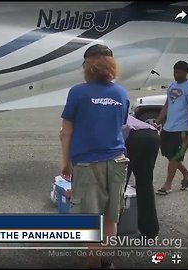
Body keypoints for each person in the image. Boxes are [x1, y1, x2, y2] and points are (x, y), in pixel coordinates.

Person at [59, 44, 130, 269]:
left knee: (90, 220)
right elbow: (122, 124)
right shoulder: (121, 92)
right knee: (111, 216)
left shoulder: (78, 92)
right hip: (117, 160)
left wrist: (66, 163)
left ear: (87, 66)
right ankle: (106, 261)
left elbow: (66, 132)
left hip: (88, 163)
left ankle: (92, 263)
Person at [155, 61, 188, 195]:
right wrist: (159, 121)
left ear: (185, 72)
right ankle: (187, 174)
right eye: (174, 72)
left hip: (182, 129)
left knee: (175, 157)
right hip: (168, 127)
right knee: (168, 153)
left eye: (179, 72)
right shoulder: (172, 85)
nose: (176, 75)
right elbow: (166, 105)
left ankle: (167, 185)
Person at [123, 115, 160, 238]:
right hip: (151, 134)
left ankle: (110, 231)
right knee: (145, 183)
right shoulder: (117, 105)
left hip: (132, 137)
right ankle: (150, 232)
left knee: (117, 186)